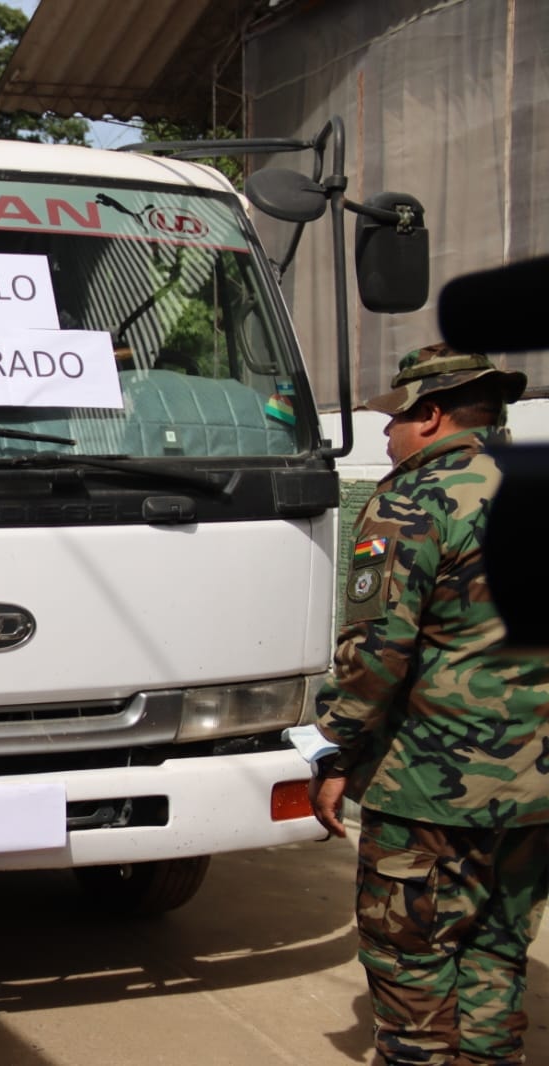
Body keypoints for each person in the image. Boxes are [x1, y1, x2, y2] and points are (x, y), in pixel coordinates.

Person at [306, 343, 549, 1065]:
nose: (387, 436)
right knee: (498, 951)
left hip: (431, 792)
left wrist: (334, 751)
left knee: (411, 960)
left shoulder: (411, 500)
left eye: (394, 420)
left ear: (431, 415)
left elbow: (375, 656)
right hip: (536, 789)